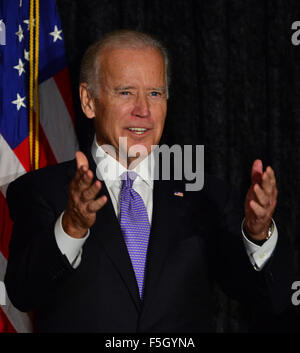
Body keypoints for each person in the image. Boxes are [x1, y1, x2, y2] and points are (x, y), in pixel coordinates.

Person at [4, 30, 293, 332]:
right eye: (126, 92)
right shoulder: (41, 190)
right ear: (88, 101)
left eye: (155, 93)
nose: (143, 110)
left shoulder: (206, 194)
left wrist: (258, 235)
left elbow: (266, 297)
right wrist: (72, 227)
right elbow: (24, 293)